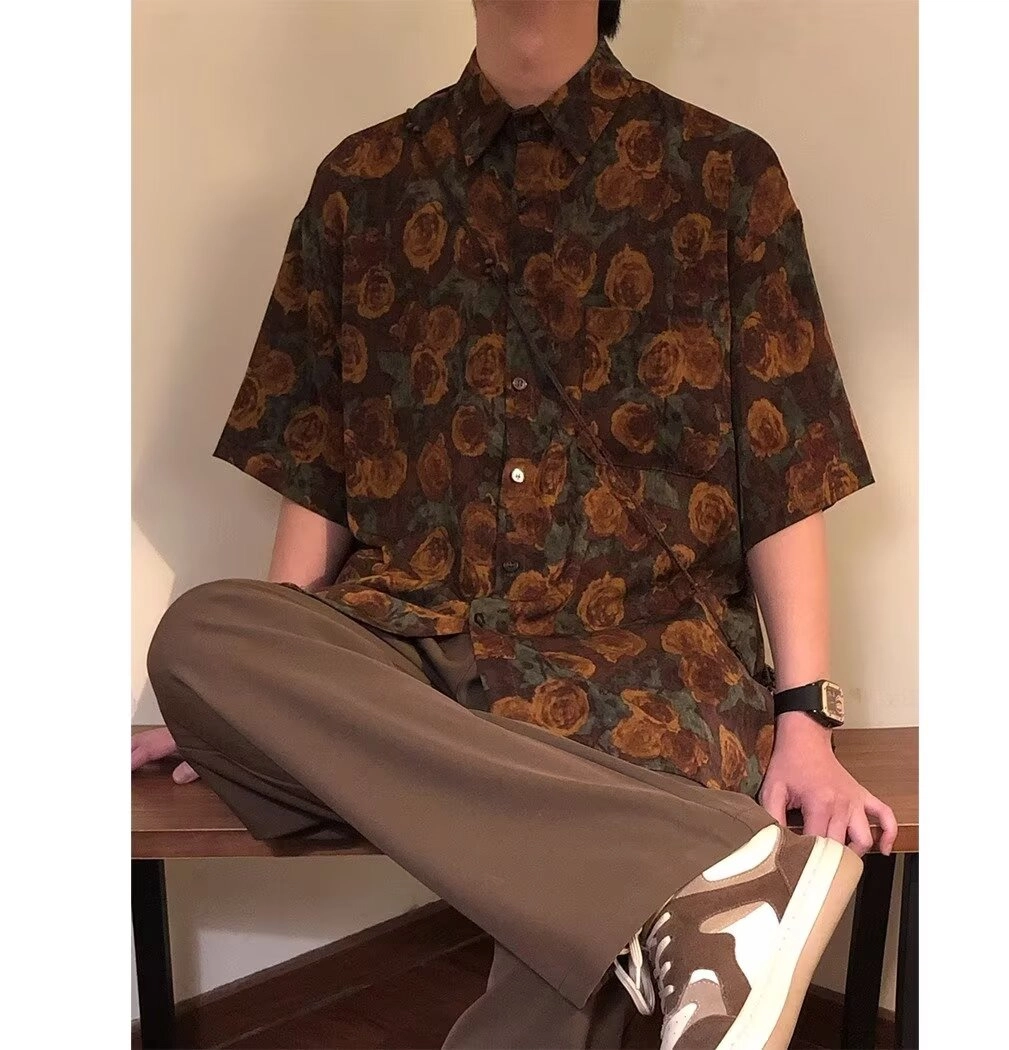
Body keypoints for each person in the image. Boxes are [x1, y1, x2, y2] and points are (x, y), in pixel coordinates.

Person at [132, 2, 898, 1047]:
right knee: (201, 637)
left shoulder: (725, 176)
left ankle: (705, 884)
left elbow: (784, 472)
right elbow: (315, 471)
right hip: (414, 651)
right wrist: (264, 704)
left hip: (648, 661)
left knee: (561, 949)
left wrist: (804, 718)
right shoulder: (361, 185)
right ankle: (718, 877)